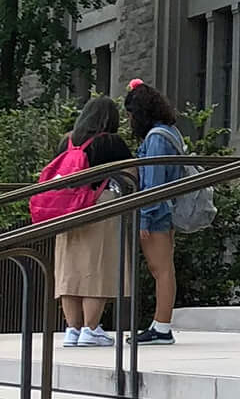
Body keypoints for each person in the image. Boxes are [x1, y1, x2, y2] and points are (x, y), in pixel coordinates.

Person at [37, 98, 133, 347]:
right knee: (97, 267)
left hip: (67, 210)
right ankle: (92, 329)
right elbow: (131, 174)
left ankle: (72, 329)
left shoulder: (67, 141)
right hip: (99, 205)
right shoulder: (110, 142)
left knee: (69, 269)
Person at [125, 79, 186, 344]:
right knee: (162, 268)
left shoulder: (156, 138)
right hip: (164, 209)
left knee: (161, 269)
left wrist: (145, 218)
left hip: (157, 212)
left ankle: (162, 327)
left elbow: (154, 181)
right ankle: (160, 324)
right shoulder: (169, 132)